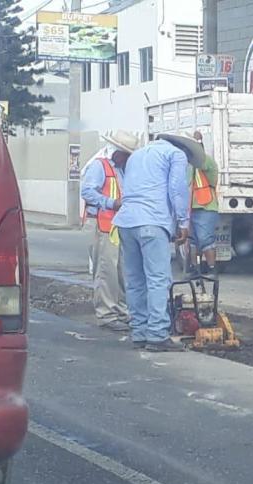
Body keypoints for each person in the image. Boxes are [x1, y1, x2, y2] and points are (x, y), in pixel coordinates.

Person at [113, 133, 203, 352]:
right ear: (186, 150)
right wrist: (183, 222)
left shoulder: (137, 155)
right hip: (152, 222)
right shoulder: (176, 154)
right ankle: (157, 334)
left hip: (126, 222)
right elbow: (177, 190)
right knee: (158, 279)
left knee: (135, 280)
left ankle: (140, 332)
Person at [80, 130, 140, 331]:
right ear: (117, 152)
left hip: (116, 226)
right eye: (127, 154)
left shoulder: (122, 169)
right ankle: (106, 314)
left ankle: (122, 312)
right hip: (101, 224)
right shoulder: (99, 166)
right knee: (106, 271)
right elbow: (87, 191)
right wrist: (111, 203)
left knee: (121, 271)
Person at [187, 130, 220, 277]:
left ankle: (212, 269)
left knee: (205, 239)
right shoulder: (187, 165)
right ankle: (194, 269)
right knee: (192, 240)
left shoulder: (206, 162)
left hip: (205, 206)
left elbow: (210, 176)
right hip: (190, 207)